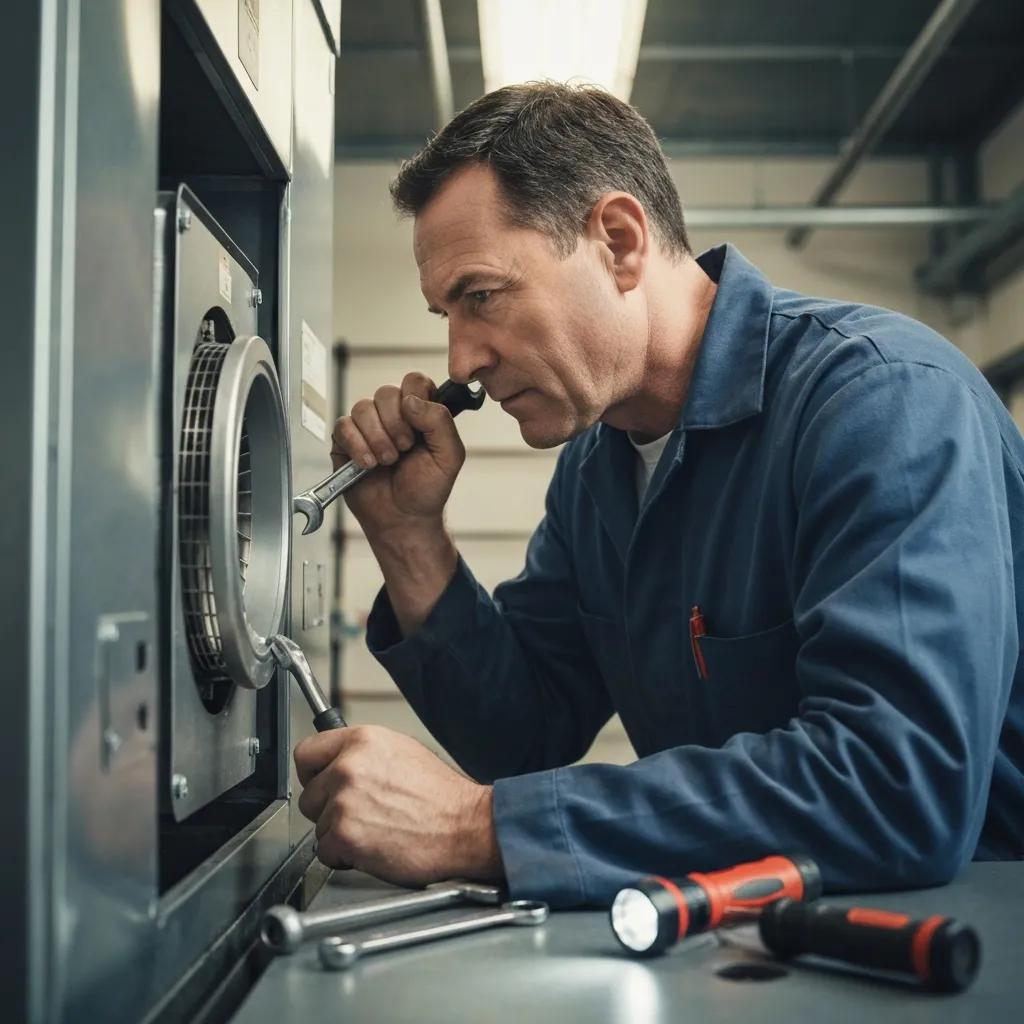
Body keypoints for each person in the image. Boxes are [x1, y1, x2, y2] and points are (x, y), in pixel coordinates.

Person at [293, 82, 1024, 907]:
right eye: (445, 314)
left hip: (962, 949)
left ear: (618, 240)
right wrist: (409, 540)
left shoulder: (885, 405)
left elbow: (896, 786)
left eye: (482, 297)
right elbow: (525, 732)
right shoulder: (597, 468)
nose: (461, 362)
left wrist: (478, 827)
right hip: (746, 951)